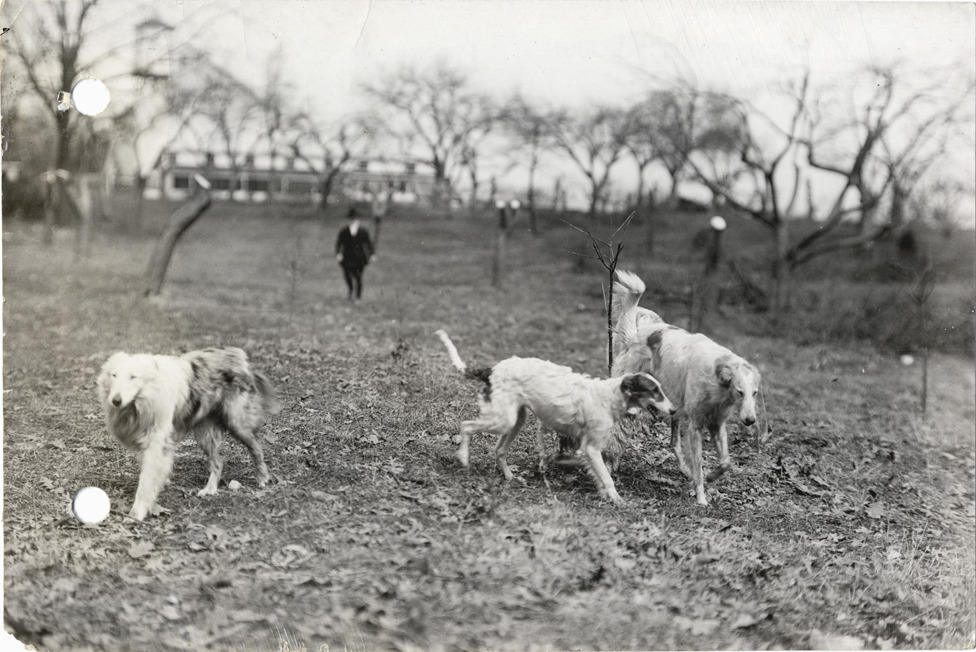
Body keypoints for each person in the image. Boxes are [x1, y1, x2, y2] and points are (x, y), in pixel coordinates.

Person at [335, 207, 374, 300]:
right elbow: (339, 243)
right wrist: (338, 253)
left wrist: (372, 254)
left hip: (359, 258)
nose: (352, 221)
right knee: (347, 275)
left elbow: (368, 243)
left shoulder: (363, 231)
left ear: (357, 219)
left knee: (358, 277)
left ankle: (358, 296)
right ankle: (350, 290)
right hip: (347, 257)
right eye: (350, 219)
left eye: (354, 219)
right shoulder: (344, 230)